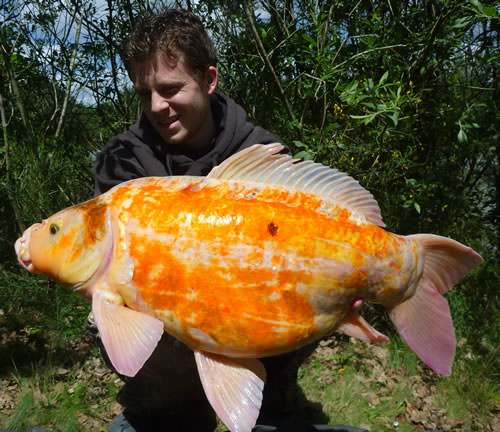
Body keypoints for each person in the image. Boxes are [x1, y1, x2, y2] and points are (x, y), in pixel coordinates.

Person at [94, 8, 367, 432]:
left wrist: (338, 282)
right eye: (143, 92)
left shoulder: (260, 150)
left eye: (170, 89)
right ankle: (170, 414)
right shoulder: (122, 163)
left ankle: (269, 404)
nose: (156, 106)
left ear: (210, 79)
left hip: (262, 331)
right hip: (167, 360)